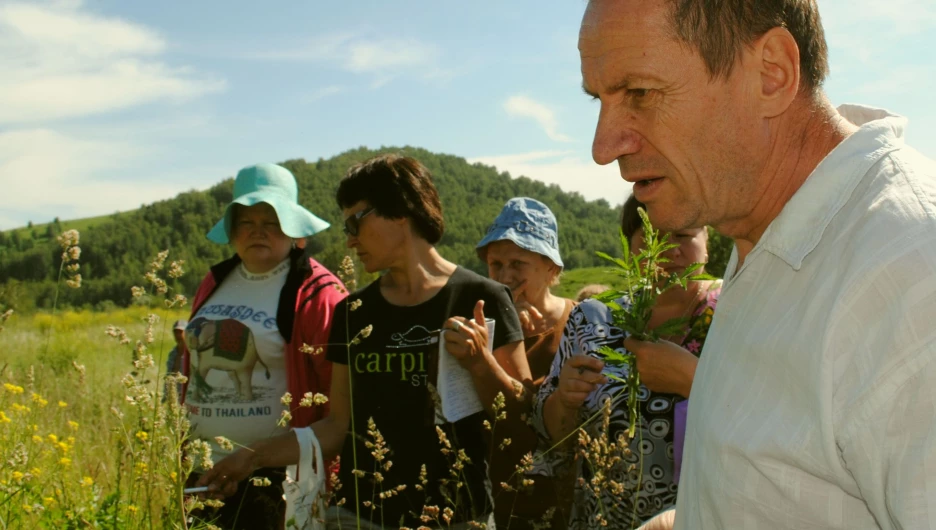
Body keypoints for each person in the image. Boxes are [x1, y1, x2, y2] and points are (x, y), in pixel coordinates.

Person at [579, 1, 936, 528]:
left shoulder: (907, 272)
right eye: (599, 100)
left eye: (640, 93)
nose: (603, 146)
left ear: (771, 73)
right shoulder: (767, 233)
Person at [198, 154, 531, 529]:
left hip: (456, 516)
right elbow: (337, 426)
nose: (350, 239)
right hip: (357, 516)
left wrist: (480, 364)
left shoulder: (481, 297)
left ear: (400, 211)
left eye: (356, 221)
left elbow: (521, 418)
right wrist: (253, 457)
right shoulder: (353, 311)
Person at [531, 194, 720, 528]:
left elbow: (776, 415)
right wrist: (565, 399)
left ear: (707, 240)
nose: (668, 251)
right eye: (652, 238)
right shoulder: (592, 320)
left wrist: (690, 378)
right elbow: (550, 432)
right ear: (629, 246)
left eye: (683, 235)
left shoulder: (737, 311)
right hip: (604, 518)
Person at [181, 163, 345, 530]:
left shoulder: (318, 292)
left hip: (276, 481)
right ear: (232, 228)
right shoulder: (215, 280)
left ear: (293, 229)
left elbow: (339, 410)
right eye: (246, 222)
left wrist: (254, 460)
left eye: (271, 222)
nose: (258, 232)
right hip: (202, 472)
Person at [476, 197, 577, 529]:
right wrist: (506, 334)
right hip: (501, 501)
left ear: (551, 267)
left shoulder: (581, 323)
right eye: (496, 264)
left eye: (518, 263)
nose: (505, 276)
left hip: (569, 501)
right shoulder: (481, 327)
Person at [163, 319, 187, 401]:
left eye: (180, 332)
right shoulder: (172, 353)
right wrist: (165, 395)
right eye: (175, 332)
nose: (178, 335)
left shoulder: (191, 354)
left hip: (186, 395)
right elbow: (169, 375)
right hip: (173, 395)